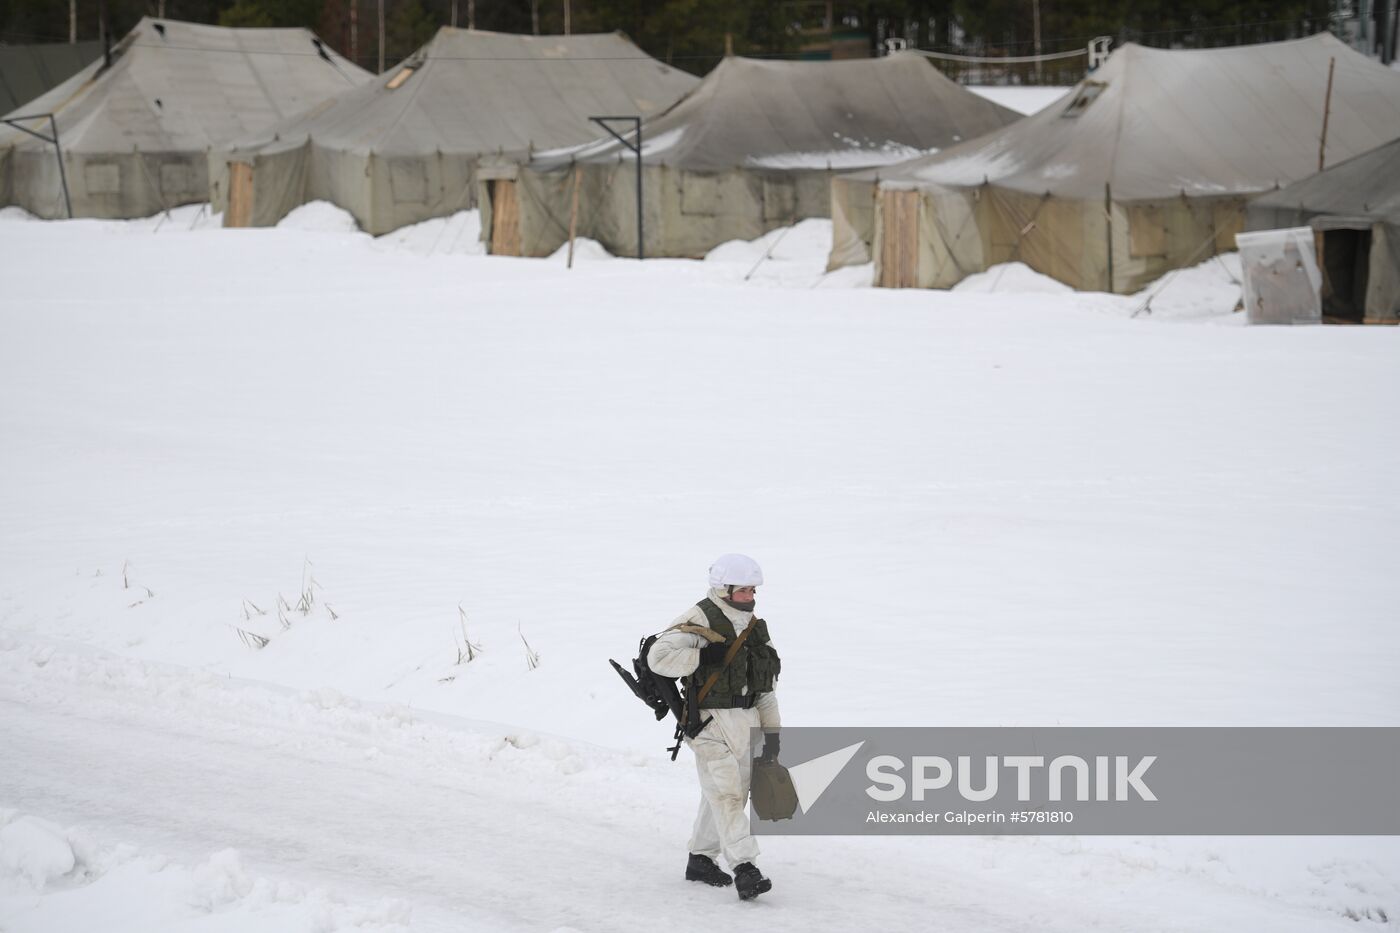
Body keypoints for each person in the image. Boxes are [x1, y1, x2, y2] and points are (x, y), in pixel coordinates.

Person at [647, 553, 781, 901]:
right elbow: (657, 658)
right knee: (727, 793)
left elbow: (765, 686)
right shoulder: (700, 617)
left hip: (747, 721)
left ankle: (701, 859)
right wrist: (701, 657)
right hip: (709, 723)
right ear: (724, 589)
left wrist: (773, 734)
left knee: (727, 793)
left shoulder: (755, 628)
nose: (750, 597)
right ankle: (745, 867)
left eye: (754, 591)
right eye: (744, 591)